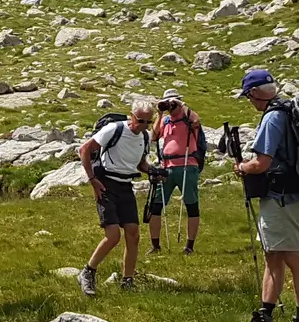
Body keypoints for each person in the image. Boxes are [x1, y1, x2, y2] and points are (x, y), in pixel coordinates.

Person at [233, 68, 299, 322]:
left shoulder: (272, 118)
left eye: (248, 96)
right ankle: (265, 315)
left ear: (256, 93)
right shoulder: (289, 110)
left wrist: (243, 167)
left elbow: (262, 162)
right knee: (274, 256)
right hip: (295, 194)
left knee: (292, 256)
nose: (250, 102)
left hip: (281, 198)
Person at [75, 98, 160, 296]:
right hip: (106, 185)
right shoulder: (115, 129)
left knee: (133, 233)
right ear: (132, 116)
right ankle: (88, 272)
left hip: (125, 186)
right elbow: (84, 149)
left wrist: (154, 171)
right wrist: (92, 179)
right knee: (113, 235)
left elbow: (141, 164)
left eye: (149, 122)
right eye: (141, 121)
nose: (144, 126)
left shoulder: (145, 137)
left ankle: (127, 280)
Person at [147, 88, 204, 254]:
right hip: (166, 167)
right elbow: (154, 136)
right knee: (156, 205)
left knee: (191, 205)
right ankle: (155, 245)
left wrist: (181, 104)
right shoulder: (165, 121)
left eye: (173, 102)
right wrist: (159, 113)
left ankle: (189, 246)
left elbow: (197, 122)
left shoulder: (188, 118)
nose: (171, 106)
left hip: (187, 164)